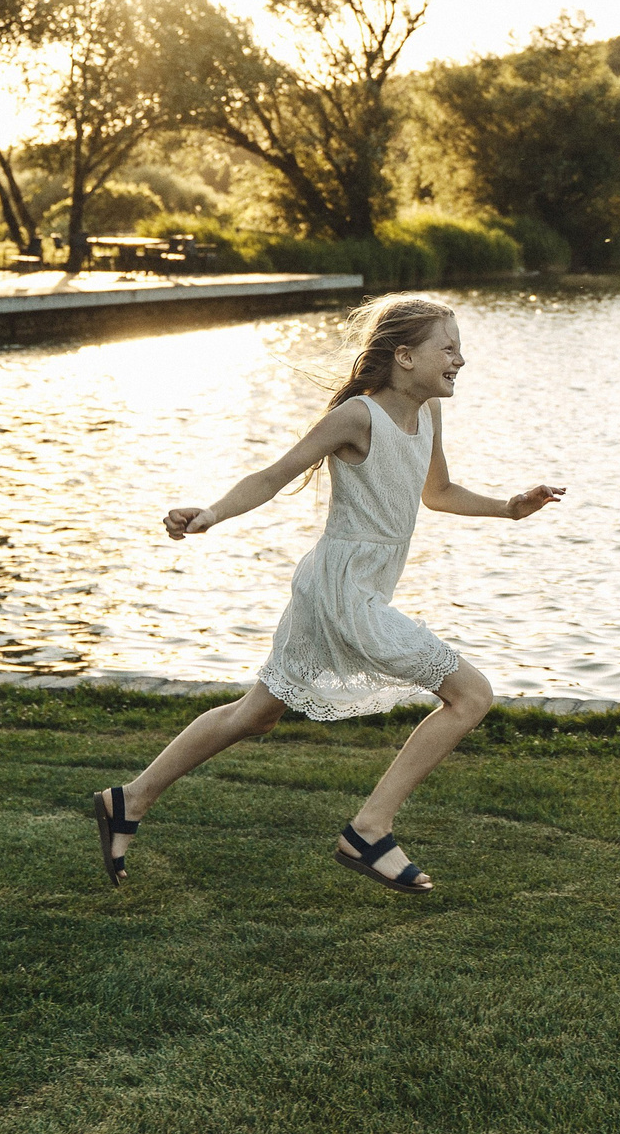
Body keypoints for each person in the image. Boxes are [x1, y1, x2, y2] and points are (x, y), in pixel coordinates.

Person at [91, 295, 566, 894]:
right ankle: (370, 829)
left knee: (256, 715)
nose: (461, 360)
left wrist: (509, 509)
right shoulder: (358, 417)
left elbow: (437, 492)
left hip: (346, 587)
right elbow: (273, 475)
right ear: (405, 356)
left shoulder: (428, 415)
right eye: (448, 347)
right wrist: (210, 513)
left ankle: (129, 799)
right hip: (344, 591)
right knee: (472, 696)